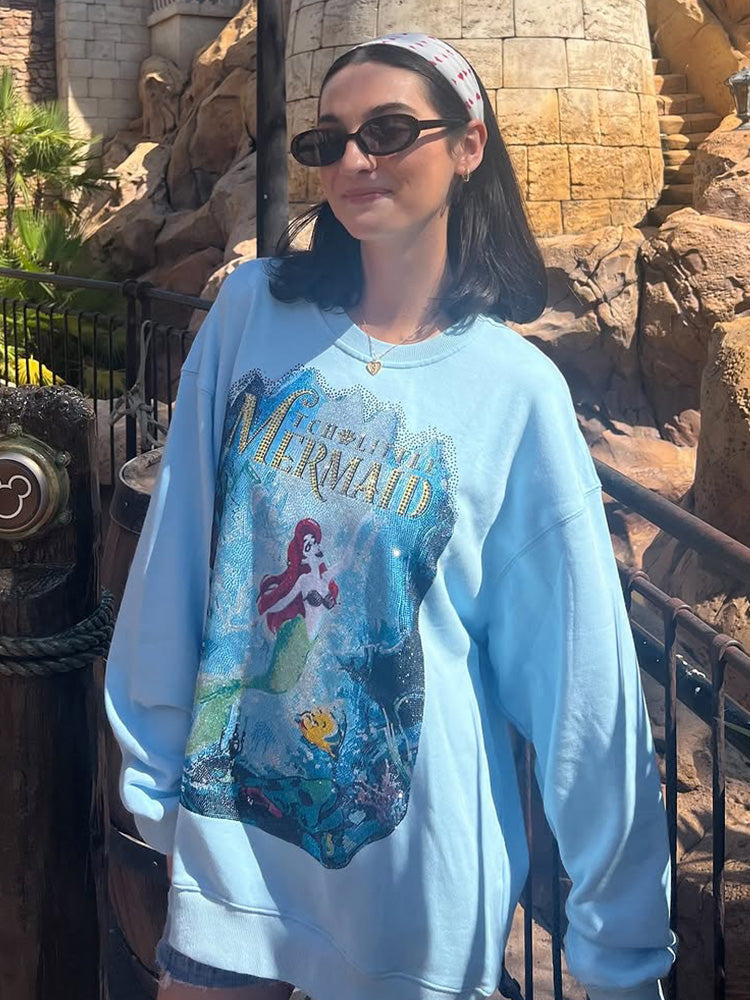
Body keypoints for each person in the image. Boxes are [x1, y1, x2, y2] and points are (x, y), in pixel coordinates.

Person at [104, 31, 676, 1000]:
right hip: (231, 878)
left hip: (418, 913)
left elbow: (581, 681)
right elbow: (178, 563)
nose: (355, 160)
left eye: (390, 130)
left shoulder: (515, 391)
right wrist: (155, 790)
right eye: (329, 141)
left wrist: (619, 949)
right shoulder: (252, 315)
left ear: (469, 144)